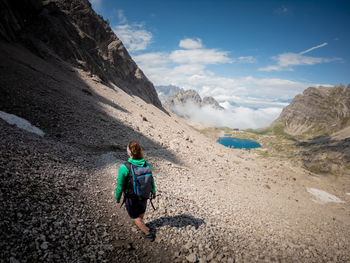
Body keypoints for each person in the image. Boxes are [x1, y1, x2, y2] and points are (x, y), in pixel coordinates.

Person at [116, 141, 156, 241]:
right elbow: (151, 180)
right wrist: (154, 192)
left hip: (132, 197)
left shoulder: (124, 167)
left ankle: (148, 233)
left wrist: (118, 197)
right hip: (144, 195)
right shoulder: (147, 164)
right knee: (141, 211)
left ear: (129, 153)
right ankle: (140, 222)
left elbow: (120, 185)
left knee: (134, 216)